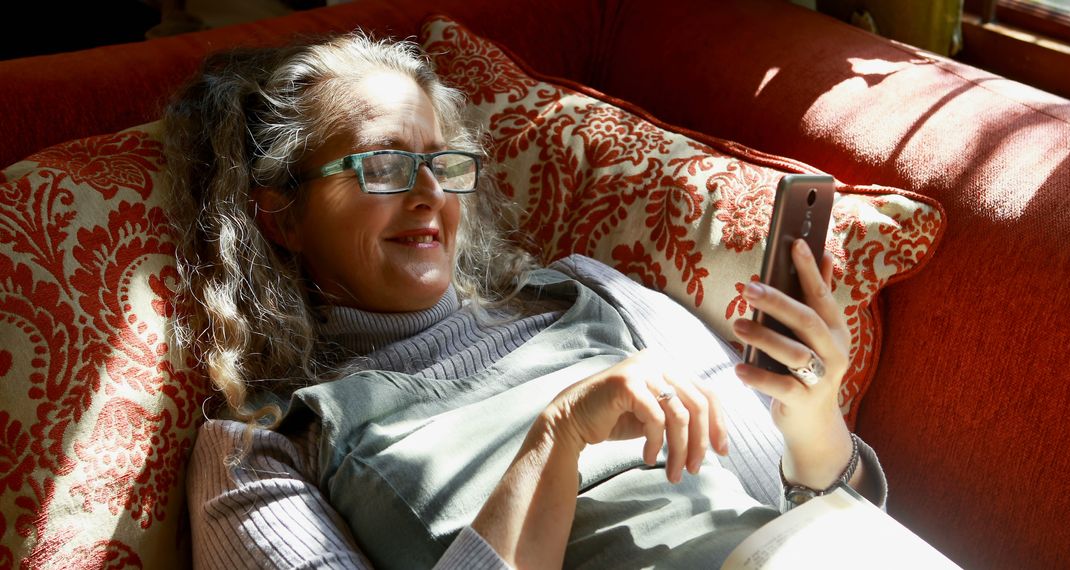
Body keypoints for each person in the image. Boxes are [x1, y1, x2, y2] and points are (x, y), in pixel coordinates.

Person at [165, 30, 886, 570]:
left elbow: (798, 516)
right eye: (384, 165)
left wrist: (813, 425)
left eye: (443, 164)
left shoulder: (587, 294)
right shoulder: (267, 445)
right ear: (282, 214)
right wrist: (558, 437)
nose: (430, 196)